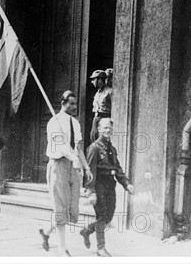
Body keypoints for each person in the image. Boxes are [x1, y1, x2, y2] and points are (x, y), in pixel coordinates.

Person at [39, 90, 93, 257]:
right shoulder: (53, 123)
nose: (74, 107)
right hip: (58, 165)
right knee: (61, 206)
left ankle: (46, 232)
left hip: (73, 168)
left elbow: (78, 148)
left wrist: (86, 167)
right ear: (63, 103)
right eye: (71, 103)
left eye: (75, 104)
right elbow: (60, 146)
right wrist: (73, 158)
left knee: (71, 209)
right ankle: (62, 248)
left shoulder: (75, 123)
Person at [80, 118, 134, 256]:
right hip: (99, 185)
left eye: (110, 128)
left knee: (108, 217)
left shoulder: (112, 149)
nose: (108, 130)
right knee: (102, 215)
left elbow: (117, 168)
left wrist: (126, 184)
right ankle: (100, 248)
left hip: (110, 185)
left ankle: (87, 230)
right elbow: (90, 171)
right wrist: (91, 191)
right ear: (98, 129)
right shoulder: (94, 148)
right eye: (104, 128)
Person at [89, 70, 112, 142]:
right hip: (96, 119)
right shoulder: (97, 93)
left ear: (100, 80)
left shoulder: (110, 92)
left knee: (103, 141)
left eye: (94, 79)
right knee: (93, 139)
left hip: (105, 118)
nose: (92, 82)